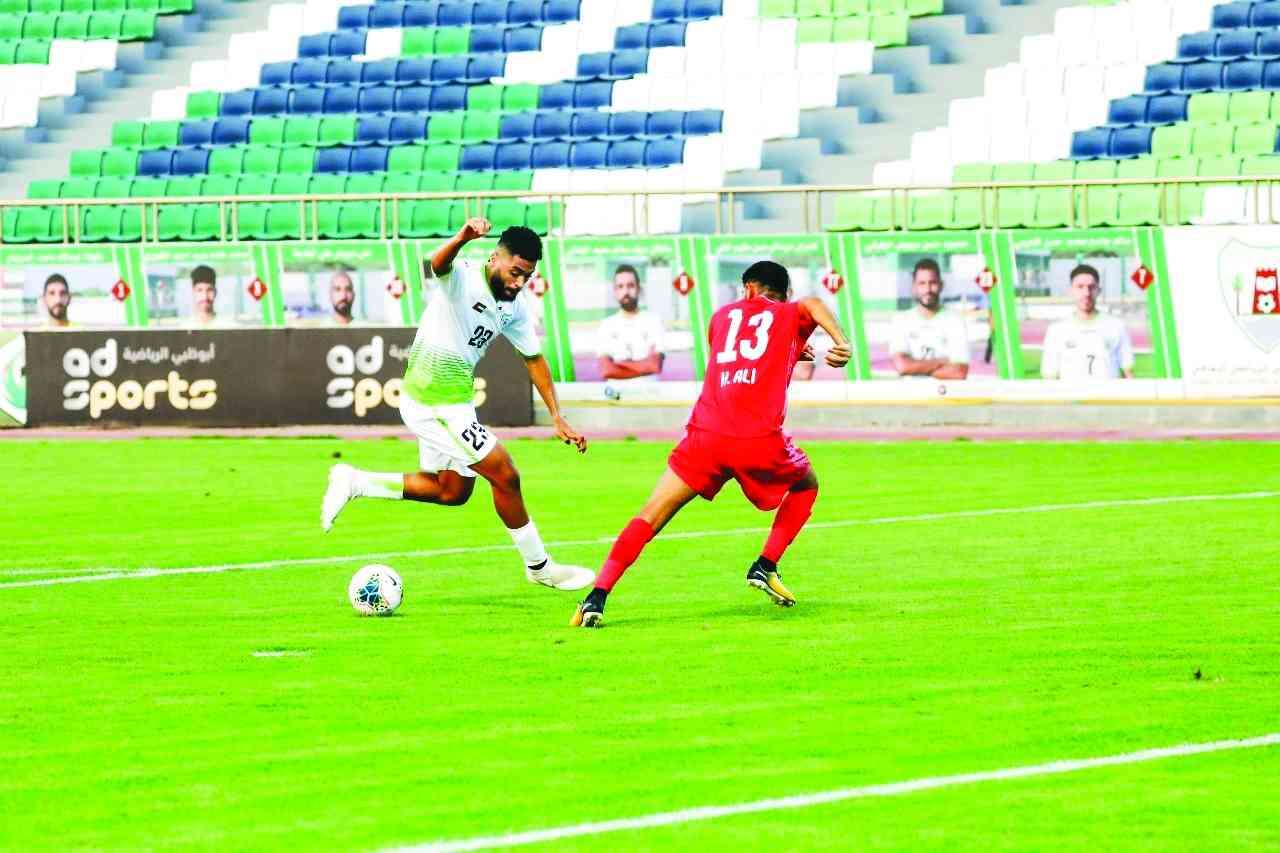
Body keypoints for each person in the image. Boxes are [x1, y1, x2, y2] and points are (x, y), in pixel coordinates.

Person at [571, 260, 853, 628]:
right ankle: (766, 564)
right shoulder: (788, 312)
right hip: (757, 440)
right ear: (783, 295)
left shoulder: (720, 318)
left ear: (747, 289)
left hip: (705, 436)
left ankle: (597, 596)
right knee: (807, 485)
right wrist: (840, 342)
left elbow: (738, 355)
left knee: (651, 514)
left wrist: (788, 347)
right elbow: (813, 303)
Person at [321, 219, 595, 591]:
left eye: (527, 277)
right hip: (431, 400)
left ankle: (356, 481)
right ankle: (539, 567)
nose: (519, 283)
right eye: (515, 272)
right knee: (505, 475)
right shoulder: (463, 277)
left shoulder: (514, 307)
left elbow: (534, 358)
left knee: (452, 492)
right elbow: (438, 264)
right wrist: (462, 238)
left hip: (456, 403)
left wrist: (557, 416)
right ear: (495, 258)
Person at [1041, 263, 1135, 380]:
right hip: (1072, 393)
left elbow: (1128, 373)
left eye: (1091, 287)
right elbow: (1049, 379)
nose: (1086, 293)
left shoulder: (1116, 326)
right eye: (1080, 287)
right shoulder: (1056, 331)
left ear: (1099, 290)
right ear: (1071, 291)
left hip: (1107, 392)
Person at [888, 259, 969, 380]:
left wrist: (914, 368)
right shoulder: (901, 321)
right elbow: (903, 366)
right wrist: (941, 361)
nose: (928, 289)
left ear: (941, 285)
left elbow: (959, 372)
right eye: (922, 283)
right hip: (910, 392)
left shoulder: (955, 321)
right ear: (914, 287)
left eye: (933, 283)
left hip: (945, 392)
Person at [597, 264, 665, 381]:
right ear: (615, 291)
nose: (626, 291)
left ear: (639, 289)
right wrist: (643, 365)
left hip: (649, 391)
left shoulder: (654, 321)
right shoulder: (606, 325)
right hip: (616, 392)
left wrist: (618, 365)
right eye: (620, 286)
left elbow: (654, 366)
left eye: (631, 286)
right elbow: (607, 370)